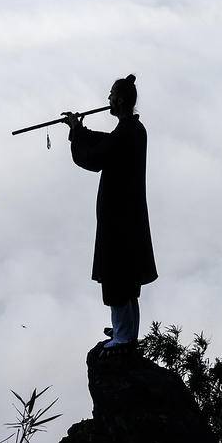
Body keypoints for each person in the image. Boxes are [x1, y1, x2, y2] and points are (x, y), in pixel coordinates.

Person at [64, 74, 157, 348]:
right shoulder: (133, 130)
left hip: (120, 218)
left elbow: (97, 157)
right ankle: (124, 330)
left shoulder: (128, 133)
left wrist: (76, 137)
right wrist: (79, 130)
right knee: (126, 279)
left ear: (120, 100)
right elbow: (107, 141)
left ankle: (123, 336)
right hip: (126, 215)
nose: (108, 101)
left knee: (118, 277)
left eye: (111, 96)